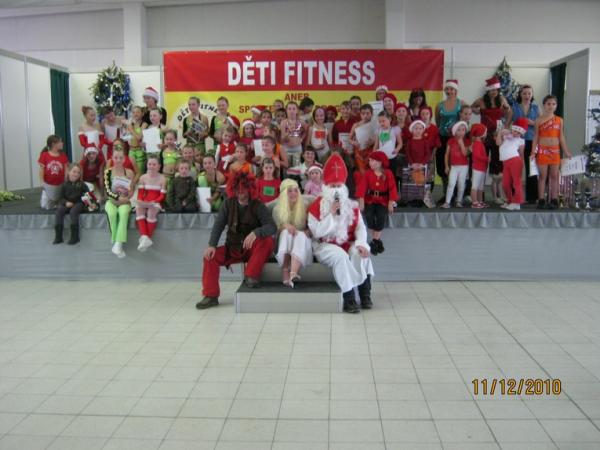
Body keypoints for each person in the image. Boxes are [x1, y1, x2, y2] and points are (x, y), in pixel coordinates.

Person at [198, 172, 276, 309]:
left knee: (267, 241)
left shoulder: (258, 205)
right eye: (237, 189)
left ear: (250, 188)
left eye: (243, 189)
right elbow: (218, 225)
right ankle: (210, 295)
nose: (240, 192)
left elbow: (272, 227)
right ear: (232, 189)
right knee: (209, 257)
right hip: (233, 248)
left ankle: (251, 276)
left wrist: (256, 232)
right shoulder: (227, 204)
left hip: (252, 250)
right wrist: (212, 245)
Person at [308, 152, 374, 313]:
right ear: (326, 187)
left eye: (339, 186)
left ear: (344, 187)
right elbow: (317, 232)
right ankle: (349, 297)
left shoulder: (352, 205)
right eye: (333, 187)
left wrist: (361, 243)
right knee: (341, 256)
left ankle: (365, 294)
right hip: (325, 245)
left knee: (360, 252)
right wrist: (331, 214)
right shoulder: (316, 206)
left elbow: (360, 227)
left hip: (347, 242)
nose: (336, 190)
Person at [472, 77, 512, 205]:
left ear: (498, 90)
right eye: (491, 90)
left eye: (495, 90)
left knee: (496, 162)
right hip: (483, 135)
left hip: (497, 135)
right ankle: (480, 194)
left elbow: (509, 113)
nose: (493, 92)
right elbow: (472, 108)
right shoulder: (481, 100)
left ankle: (497, 195)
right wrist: (476, 110)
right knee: (481, 162)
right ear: (488, 91)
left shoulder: (502, 99)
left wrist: (506, 126)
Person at [532, 95, 572, 209]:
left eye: (553, 104)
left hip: (555, 151)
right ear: (544, 105)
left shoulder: (560, 120)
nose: (551, 106)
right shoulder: (538, 120)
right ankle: (541, 199)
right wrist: (533, 152)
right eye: (548, 104)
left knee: (554, 176)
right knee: (542, 176)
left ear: (556, 106)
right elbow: (536, 137)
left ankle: (554, 199)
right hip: (543, 150)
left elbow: (561, 137)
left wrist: (566, 151)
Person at [272, 179, 314, 287]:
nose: (293, 193)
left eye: (296, 190)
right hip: (285, 241)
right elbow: (275, 231)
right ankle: (286, 269)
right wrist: (284, 226)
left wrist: (309, 230)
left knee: (300, 235)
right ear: (284, 194)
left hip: (302, 241)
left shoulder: (305, 204)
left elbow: (314, 222)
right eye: (290, 191)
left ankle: (293, 272)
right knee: (286, 232)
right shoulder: (277, 209)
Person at [356, 151, 398, 255]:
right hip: (370, 199)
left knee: (381, 216)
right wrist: (361, 201)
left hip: (383, 201)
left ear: (379, 162)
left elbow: (392, 188)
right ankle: (376, 240)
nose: (370, 162)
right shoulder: (368, 173)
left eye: (372, 161)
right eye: (370, 160)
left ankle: (374, 241)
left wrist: (390, 203)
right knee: (368, 215)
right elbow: (362, 187)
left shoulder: (388, 173)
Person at [436, 80, 466, 199]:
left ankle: (458, 193)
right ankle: (446, 193)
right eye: (447, 89)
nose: (449, 91)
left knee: (456, 164)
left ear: (456, 91)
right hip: (443, 139)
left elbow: (465, 119)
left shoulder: (461, 103)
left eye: (452, 89)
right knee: (443, 165)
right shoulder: (439, 105)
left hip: (456, 140)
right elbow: (438, 122)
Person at [104, 147, 134, 258]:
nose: (118, 160)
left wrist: (127, 197)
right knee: (112, 214)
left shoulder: (129, 172)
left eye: (120, 158)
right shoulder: (108, 172)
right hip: (112, 200)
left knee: (123, 213)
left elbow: (132, 190)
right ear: (112, 158)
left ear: (124, 159)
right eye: (116, 157)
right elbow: (107, 191)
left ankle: (118, 243)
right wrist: (117, 198)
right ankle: (116, 242)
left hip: (125, 201)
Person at [512, 85, 540, 203]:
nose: (527, 95)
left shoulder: (536, 108)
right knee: (515, 168)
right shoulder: (514, 107)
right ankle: (514, 196)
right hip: (517, 141)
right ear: (520, 94)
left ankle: (532, 197)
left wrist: (532, 122)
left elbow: (541, 124)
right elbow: (509, 123)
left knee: (531, 169)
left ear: (532, 95)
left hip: (531, 140)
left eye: (529, 93)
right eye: (524, 93)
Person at [135, 156, 167, 252]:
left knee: (151, 212)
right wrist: (141, 201)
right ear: (147, 165)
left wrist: (154, 202)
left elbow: (162, 196)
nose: (151, 166)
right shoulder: (142, 177)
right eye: (149, 164)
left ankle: (146, 238)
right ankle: (145, 238)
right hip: (145, 202)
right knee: (138, 209)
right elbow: (140, 194)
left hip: (156, 202)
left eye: (154, 164)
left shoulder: (163, 178)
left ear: (159, 166)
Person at [53, 164, 89, 245]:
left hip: (79, 203)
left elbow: (88, 195)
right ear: (69, 172)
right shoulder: (64, 185)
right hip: (68, 203)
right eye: (74, 171)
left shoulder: (82, 184)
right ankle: (58, 236)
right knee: (59, 210)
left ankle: (75, 237)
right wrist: (66, 203)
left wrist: (89, 202)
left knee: (73, 211)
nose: (76, 174)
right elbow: (60, 198)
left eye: (78, 172)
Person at [497, 118, 528, 211]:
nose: (516, 133)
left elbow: (521, 154)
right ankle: (510, 200)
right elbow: (498, 143)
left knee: (516, 182)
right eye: (515, 131)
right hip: (505, 162)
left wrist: (522, 165)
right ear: (512, 129)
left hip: (515, 161)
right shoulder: (506, 137)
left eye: (519, 133)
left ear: (521, 134)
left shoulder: (521, 141)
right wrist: (500, 132)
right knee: (505, 183)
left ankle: (517, 202)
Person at [405, 119, 435, 208]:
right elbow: (408, 153)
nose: (418, 130)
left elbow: (427, 154)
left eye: (420, 128)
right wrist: (412, 163)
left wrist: (422, 163)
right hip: (412, 165)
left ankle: (422, 200)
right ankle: (412, 200)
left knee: (421, 183)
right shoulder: (409, 141)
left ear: (423, 130)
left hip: (422, 166)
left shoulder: (425, 141)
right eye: (416, 128)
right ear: (412, 130)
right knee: (413, 184)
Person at [442, 121, 470, 208]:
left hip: (464, 167)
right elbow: (446, 154)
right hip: (454, 166)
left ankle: (459, 201)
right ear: (454, 131)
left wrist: (461, 144)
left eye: (463, 130)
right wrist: (446, 166)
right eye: (459, 130)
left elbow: (465, 154)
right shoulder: (451, 141)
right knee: (451, 183)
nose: (461, 132)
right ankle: (447, 202)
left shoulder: (466, 141)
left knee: (461, 184)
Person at [38, 135, 69, 210]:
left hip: (60, 185)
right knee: (45, 206)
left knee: (60, 204)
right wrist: (42, 182)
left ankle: (58, 202)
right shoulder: (44, 155)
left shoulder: (63, 156)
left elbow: (66, 170)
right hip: (48, 185)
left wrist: (66, 181)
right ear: (53, 144)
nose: (62, 143)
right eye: (60, 142)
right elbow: (41, 170)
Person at [373, 112, 402, 184]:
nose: (381, 123)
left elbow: (400, 143)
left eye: (383, 121)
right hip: (381, 158)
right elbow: (376, 144)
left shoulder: (395, 130)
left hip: (391, 157)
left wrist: (397, 149)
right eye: (380, 121)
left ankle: (392, 188)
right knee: (382, 175)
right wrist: (373, 155)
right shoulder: (378, 130)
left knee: (392, 174)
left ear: (389, 119)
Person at [349, 104, 375, 173]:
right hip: (359, 152)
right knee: (361, 172)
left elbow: (379, 138)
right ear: (360, 114)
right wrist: (354, 142)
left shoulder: (375, 124)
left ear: (372, 114)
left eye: (367, 113)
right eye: (363, 114)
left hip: (371, 150)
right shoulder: (356, 125)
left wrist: (373, 141)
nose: (365, 116)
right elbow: (349, 139)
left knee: (371, 171)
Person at [280, 101, 307, 168]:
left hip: (297, 148)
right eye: (289, 109)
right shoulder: (283, 122)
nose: (291, 111)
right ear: (286, 110)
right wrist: (289, 132)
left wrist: (302, 138)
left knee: (297, 169)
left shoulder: (301, 122)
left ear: (297, 110)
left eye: (294, 109)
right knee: (287, 168)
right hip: (286, 148)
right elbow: (282, 139)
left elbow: (307, 130)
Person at [469, 123, 489, 208]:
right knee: (475, 186)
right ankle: (474, 202)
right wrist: (487, 159)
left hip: (482, 168)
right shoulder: (477, 143)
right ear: (481, 133)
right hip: (477, 168)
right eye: (485, 132)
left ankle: (480, 201)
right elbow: (476, 155)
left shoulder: (480, 143)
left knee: (480, 186)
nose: (486, 133)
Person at [125, 106, 146, 174]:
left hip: (140, 152)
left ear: (142, 113)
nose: (135, 114)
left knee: (139, 173)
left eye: (137, 112)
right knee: (130, 173)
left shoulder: (144, 124)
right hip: (131, 151)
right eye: (133, 112)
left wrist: (131, 129)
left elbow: (139, 137)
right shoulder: (131, 124)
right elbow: (126, 137)